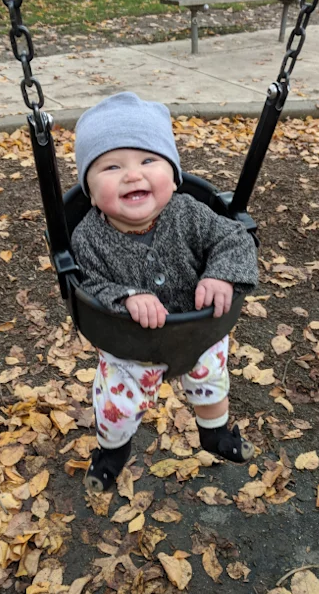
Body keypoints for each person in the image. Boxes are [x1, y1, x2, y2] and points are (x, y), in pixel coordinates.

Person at [69, 92, 258, 493]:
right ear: (89, 189)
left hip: (199, 331)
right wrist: (126, 296)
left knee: (211, 382)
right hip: (128, 343)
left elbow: (234, 240)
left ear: (173, 177)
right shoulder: (87, 236)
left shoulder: (190, 212)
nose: (132, 175)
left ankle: (214, 431)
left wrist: (221, 275)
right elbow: (85, 282)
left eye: (149, 161)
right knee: (114, 407)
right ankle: (112, 451)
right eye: (111, 166)